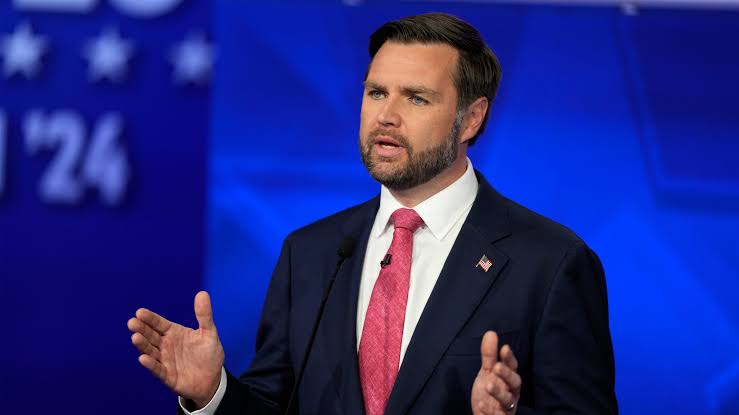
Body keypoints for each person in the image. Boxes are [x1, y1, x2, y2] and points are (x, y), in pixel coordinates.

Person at [128, 12, 617, 415]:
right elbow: (276, 404)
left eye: (416, 98)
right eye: (377, 92)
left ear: (471, 118)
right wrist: (213, 394)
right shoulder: (311, 253)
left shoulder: (551, 263)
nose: (386, 115)